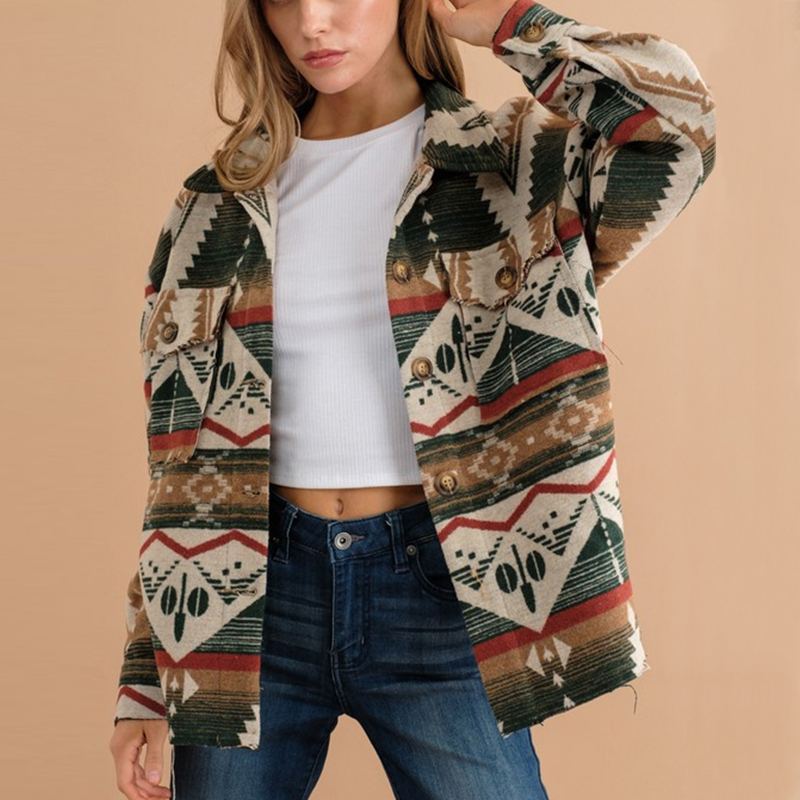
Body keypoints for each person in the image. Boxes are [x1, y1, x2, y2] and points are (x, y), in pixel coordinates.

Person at [109, 0, 716, 798]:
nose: (313, 22)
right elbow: (179, 464)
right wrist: (146, 676)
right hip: (246, 599)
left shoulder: (517, 165)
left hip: (448, 584)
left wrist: (515, 27)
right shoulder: (214, 205)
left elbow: (679, 126)